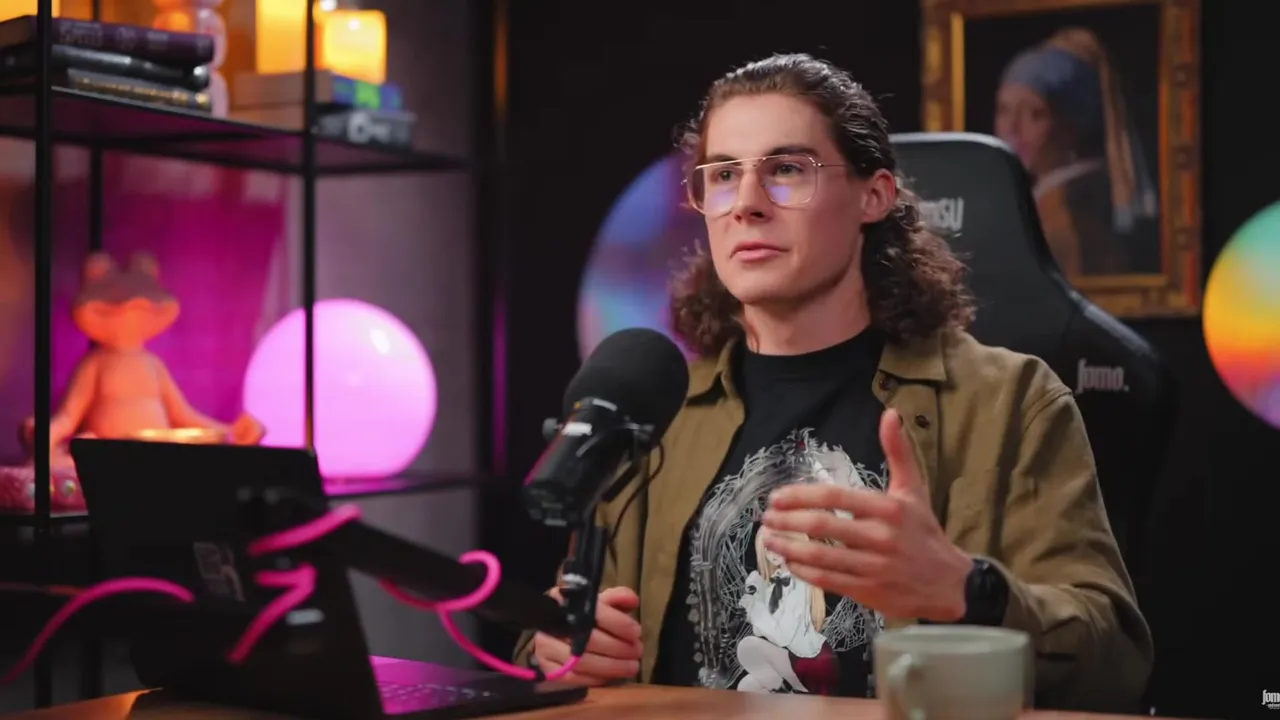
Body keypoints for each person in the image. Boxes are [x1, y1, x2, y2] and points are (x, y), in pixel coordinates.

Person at [515, 53, 1152, 712]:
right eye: (725, 175)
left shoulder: (1009, 401)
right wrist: (556, 647)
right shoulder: (655, 413)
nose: (748, 205)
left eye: (787, 170)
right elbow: (556, 637)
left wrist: (966, 591)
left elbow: (1114, 662)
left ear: (874, 196)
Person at [994, 27, 1158, 276]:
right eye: (1003, 110)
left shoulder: (1068, 214)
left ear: (1073, 124)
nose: (1012, 128)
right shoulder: (1042, 203)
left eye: (1036, 114)